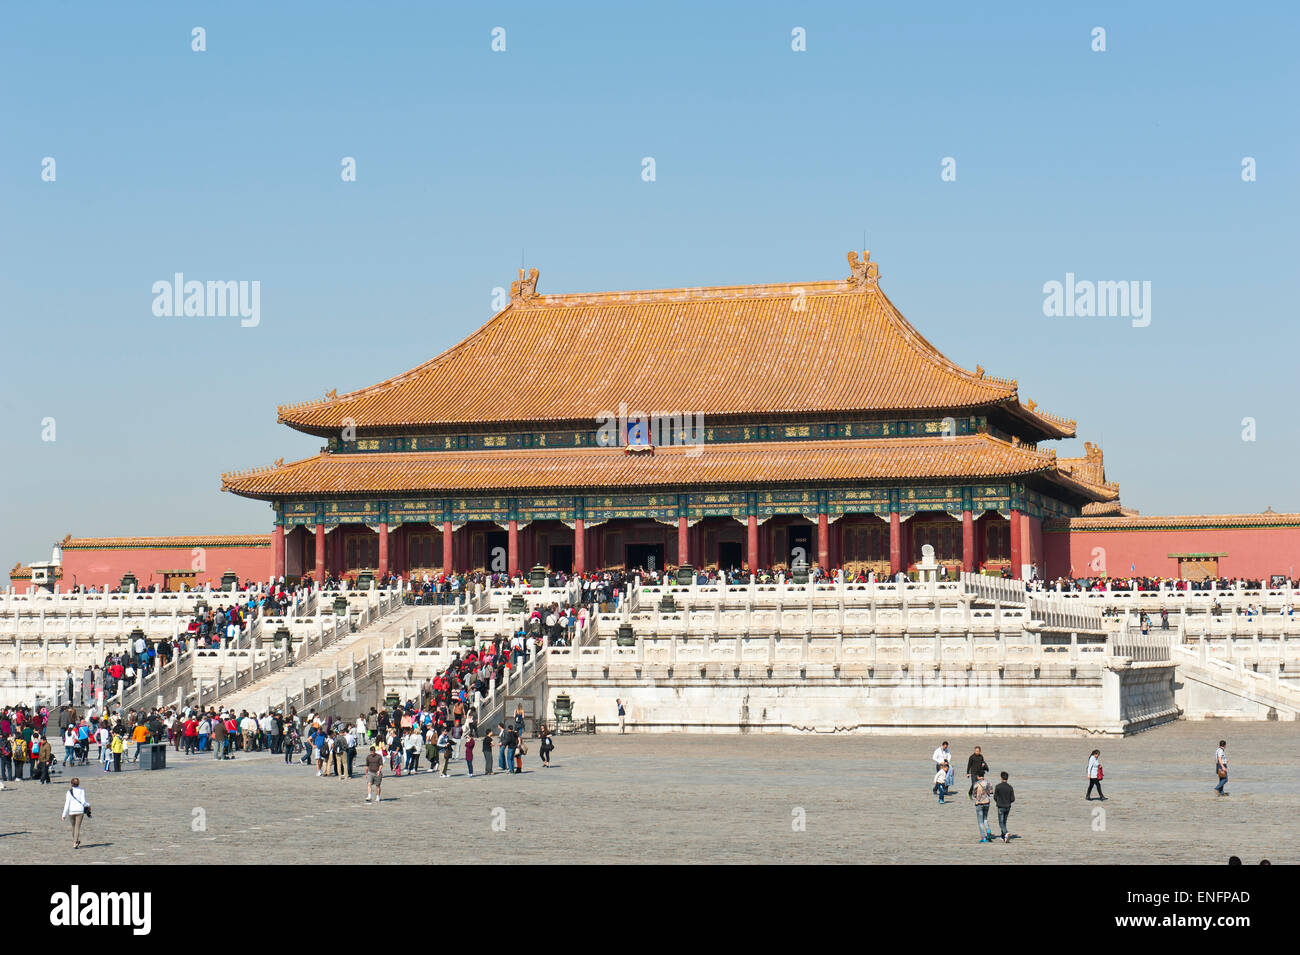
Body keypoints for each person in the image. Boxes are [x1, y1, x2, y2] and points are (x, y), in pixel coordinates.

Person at [61, 777, 90, 849]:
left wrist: (63, 815)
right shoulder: (82, 790)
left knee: (74, 827)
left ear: (71, 784)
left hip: (71, 811)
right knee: (77, 827)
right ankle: (75, 842)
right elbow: (83, 802)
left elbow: (67, 803)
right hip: (80, 811)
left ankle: (75, 841)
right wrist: (88, 805)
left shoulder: (69, 792)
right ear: (78, 783)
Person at [973, 771, 995, 843]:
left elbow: (974, 794)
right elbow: (991, 793)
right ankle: (988, 831)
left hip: (979, 803)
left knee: (980, 822)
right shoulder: (988, 783)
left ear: (978, 776)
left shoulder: (976, 784)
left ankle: (983, 837)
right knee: (985, 818)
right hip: (987, 802)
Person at [993, 771, 1015, 843]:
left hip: (1000, 806)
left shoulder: (998, 786)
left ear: (1001, 777)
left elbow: (995, 797)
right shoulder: (1010, 787)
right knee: (1004, 821)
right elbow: (1013, 799)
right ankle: (1003, 836)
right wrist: (1008, 802)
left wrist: (998, 801)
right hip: (1008, 806)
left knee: (1001, 822)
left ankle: (1006, 833)